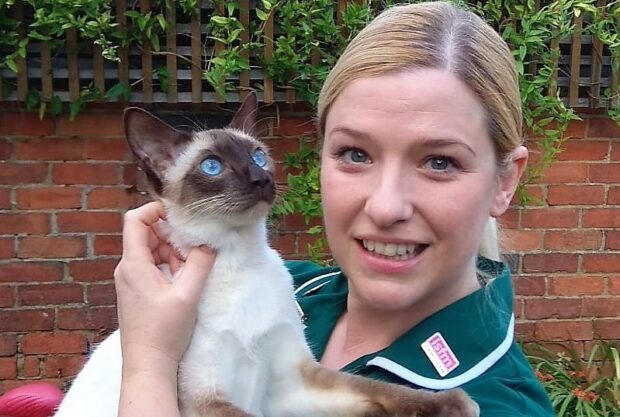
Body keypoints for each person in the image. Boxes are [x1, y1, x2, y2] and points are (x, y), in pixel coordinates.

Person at [114, 2, 555, 416]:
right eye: (355, 154)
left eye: (440, 162)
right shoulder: (299, 286)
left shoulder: (499, 402)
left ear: (505, 181)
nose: (385, 207)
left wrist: (147, 363)